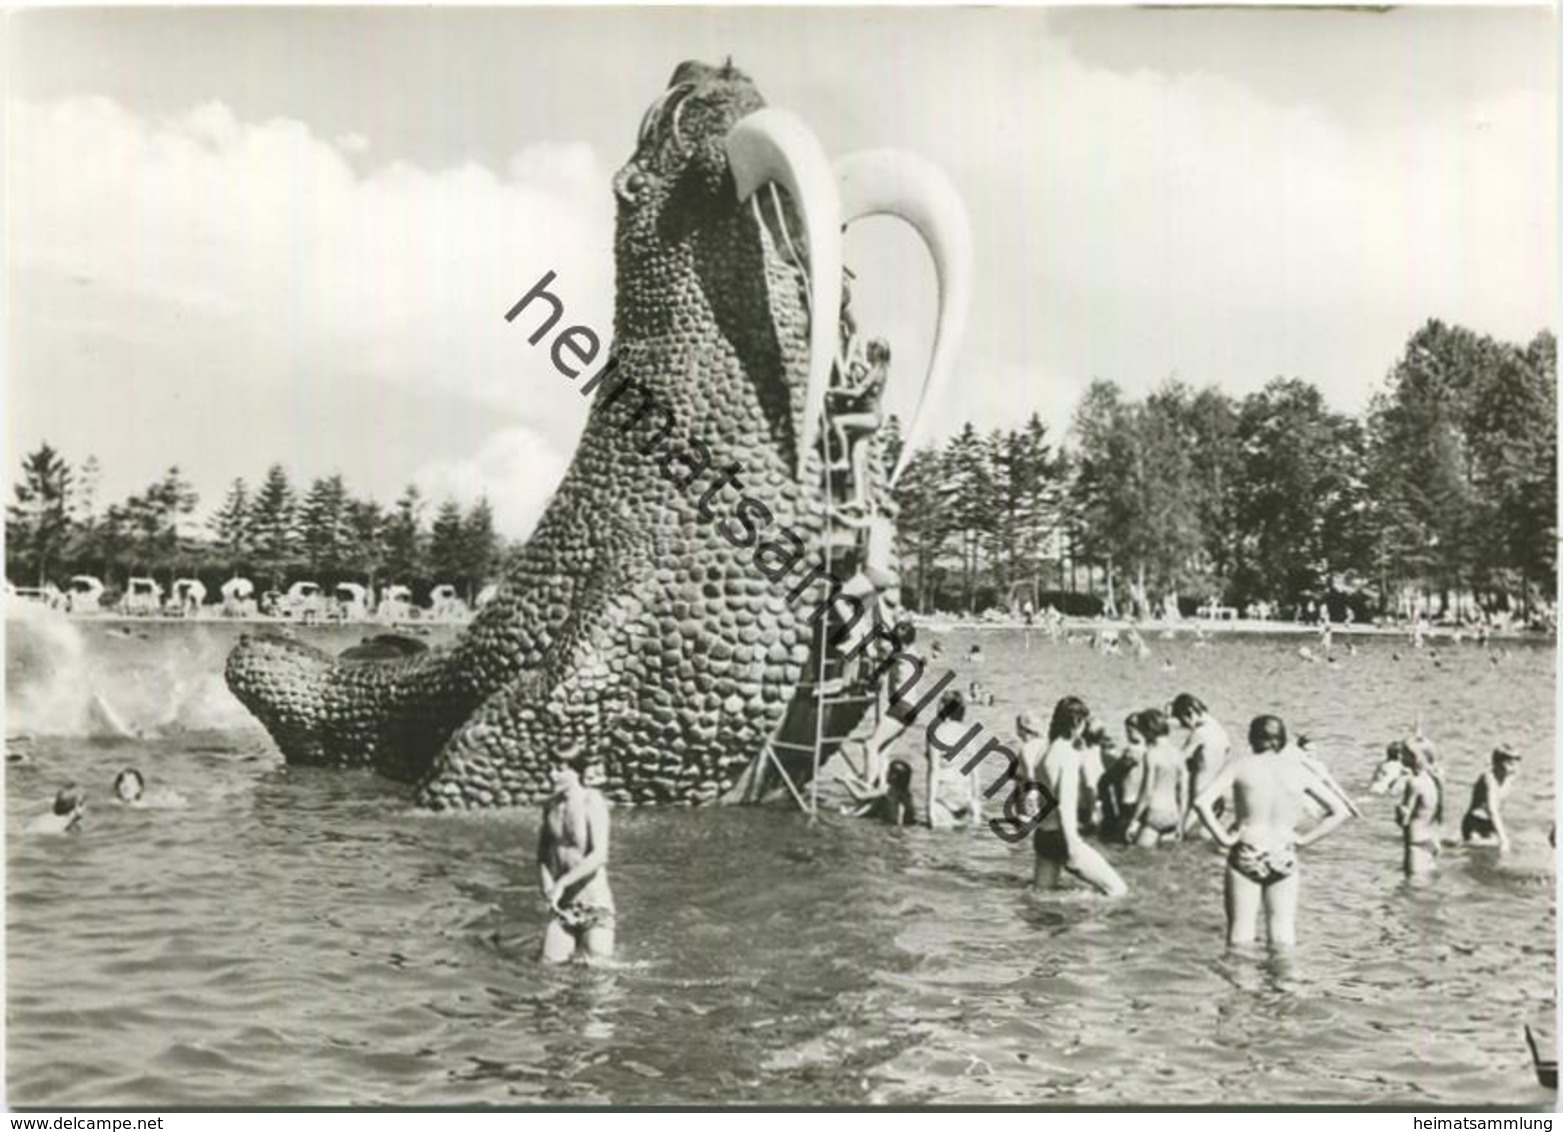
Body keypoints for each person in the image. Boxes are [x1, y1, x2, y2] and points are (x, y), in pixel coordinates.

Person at [1192, 715, 1349, 947]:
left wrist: (1224, 839)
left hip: (1248, 849)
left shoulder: (1240, 764)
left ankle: (1243, 981)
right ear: (1283, 741)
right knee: (1283, 935)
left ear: (1252, 739)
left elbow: (1202, 802)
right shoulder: (1298, 770)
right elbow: (1340, 811)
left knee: (1240, 935)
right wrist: (1305, 841)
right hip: (1283, 851)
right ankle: (1285, 982)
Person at [1030, 696, 1128, 896]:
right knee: (1118, 891)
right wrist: (1073, 844)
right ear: (1078, 723)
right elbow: (1065, 805)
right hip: (1062, 836)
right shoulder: (1069, 756)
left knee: (1041, 897)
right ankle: (1084, 915)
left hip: (1042, 835)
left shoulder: (1042, 753)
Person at [537, 742, 615, 963]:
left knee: (598, 984)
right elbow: (542, 855)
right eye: (550, 768)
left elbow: (600, 855)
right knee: (548, 970)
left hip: (595, 905)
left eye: (560, 769)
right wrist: (546, 886)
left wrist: (561, 883)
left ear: (576, 771)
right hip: (563, 906)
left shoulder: (593, 801)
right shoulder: (550, 807)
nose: (552, 775)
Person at [827, 338, 890, 510]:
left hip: (870, 417)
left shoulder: (875, 370)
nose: (867, 353)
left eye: (869, 350)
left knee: (837, 422)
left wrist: (833, 391)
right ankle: (860, 500)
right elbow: (864, 392)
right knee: (858, 455)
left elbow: (856, 393)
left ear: (875, 351)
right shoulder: (881, 370)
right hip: (873, 418)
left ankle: (843, 460)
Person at [1124, 708, 1186, 847]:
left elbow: (1147, 792)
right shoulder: (1179, 754)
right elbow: (1183, 791)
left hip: (1155, 813)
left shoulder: (1152, 754)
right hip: (1173, 814)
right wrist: (1181, 823)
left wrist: (1134, 821)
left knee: (1140, 857)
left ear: (1148, 730)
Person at [1173, 693, 1231, 836]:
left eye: (1183, 721)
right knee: (1207, 836)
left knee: (1185, 837)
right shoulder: (1220, 731)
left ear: (1190, 712)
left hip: (1200, 796)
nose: (1185, 727)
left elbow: (1176, 761)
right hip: (1217, 795)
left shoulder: (1199, 733)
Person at [925, 691, 983, 830]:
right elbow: (975, 771)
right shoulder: (967, 733)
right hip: (964, 797)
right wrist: (975, 802)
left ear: (943, 707)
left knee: (940, 846)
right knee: (961, 847)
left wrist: (930, 805)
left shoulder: (936, 733)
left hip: (943, 797)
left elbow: (934, 770)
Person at [1098, 712, 1148, 841]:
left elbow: (1108, 778)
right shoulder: (1150, 750)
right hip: (1144, 803)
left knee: (1118, 839)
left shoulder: (1132, 751)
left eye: (1129, 731)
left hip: (1128, 804)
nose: (1127, 734)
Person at [1395, 740, 1441, 880]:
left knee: (1412, 889)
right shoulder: (1434, 779)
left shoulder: (1413, 782)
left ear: (1415, 759)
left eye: (1404, 754)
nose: (1400, 757)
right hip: (1431, 839)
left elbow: (1404, 820)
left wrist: (1398, 809)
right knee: (1426, 887)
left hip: (1416, 843)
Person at [1461, 745, 1520, 852]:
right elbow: (1492, 809)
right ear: (1496, 763)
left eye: (1515, 762)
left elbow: (1499, 806)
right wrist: (1503, 838)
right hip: (1475, 823)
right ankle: (1458, 846)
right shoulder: (1488, 778)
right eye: (1509, 763)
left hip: (1490, 823)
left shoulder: (1510, 777)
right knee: (1476, 854)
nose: (1513, 767)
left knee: (1493, 856)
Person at [842, 758, 917, 825]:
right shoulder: (906, 793)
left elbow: (859, 796)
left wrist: (845, 781)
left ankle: (851, 814)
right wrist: (855, 780)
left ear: (893, 776)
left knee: (874, 802)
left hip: (889, 826)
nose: (886, 774)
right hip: (903, 825)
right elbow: (872, 790)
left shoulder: (887, 789)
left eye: (888, 772)